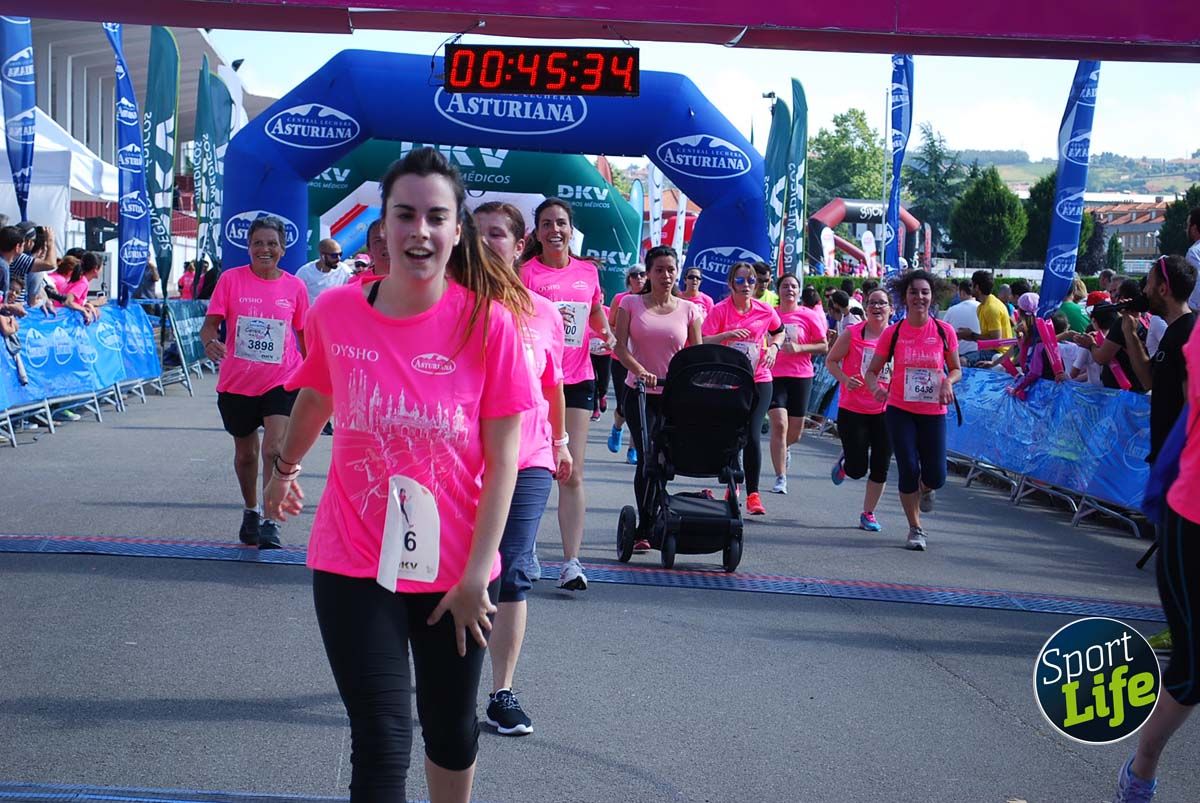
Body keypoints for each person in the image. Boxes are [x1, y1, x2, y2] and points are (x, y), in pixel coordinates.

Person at [263, 147, 537, 803]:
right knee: (382, 741)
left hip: (457, 571)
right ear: (381, 226)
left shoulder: (489, 325)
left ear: (455, 230)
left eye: (436, 216)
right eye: (405, 214)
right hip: (354, 561)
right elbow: (317, 396)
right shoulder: (336, 313)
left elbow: (505, 460)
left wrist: (478, 574)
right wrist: (284, 467)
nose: (420, 231)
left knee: (450, 730)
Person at [474, 200, 572, 737]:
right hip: (462, 459)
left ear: (519, 245)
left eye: (499, 234)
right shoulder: (447, 305)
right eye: (480, 233)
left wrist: (560, 442)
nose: (490, 242)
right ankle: (451, 671)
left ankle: (502, 692)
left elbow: (552, 385)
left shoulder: (545, 312)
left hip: (530, 455)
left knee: (513, 569)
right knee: (459, 566)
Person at [1109, 267, 1200, 803]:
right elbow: (1159, 387)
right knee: (1193, 671)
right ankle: (1142, 768)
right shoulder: (1192, 339)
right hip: (1191, 510)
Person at [520, 197, 616, 591]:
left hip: (576, 379)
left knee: (570, 470)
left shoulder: (587, 272)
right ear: (536, 232)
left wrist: (605, 332)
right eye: (546, 224)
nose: (554, 230)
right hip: (533, 381)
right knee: (527, 468)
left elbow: (595, 312)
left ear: (570, 228)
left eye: (560, 223)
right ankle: (524, 549)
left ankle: (572, 562)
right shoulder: (524, 273)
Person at [200, 216, 309, 549]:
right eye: (258, 243)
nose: (265, 249)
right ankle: (251, 510)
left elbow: (305, 335)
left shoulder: (295, 287)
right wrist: (209, 343)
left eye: (271, 243)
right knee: (245, 454)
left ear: (282, 249)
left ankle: (270, 520)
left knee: (274, 449)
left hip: (282, 379)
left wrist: (314, 374)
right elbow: (209, 326)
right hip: (237, 382)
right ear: (248, 247)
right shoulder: (231, 281)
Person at [863, 270, 962, 551]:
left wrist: (947, 382)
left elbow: (956, 369)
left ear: (932, 297)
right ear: (905, 297)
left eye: (924, 292)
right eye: (913, 292)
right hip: (899, 409)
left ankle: (927, 486)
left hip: (933, 412)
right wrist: (876, 388)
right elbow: (872, 372)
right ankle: (915, 528)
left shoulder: (944, 331)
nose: (919, 297)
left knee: (936, 476)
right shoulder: (893, 333)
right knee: (907, 468)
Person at [615, 245, 702, 545]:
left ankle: (660, 515)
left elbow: (696, 356)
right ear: (649, 273)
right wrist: (639, 370)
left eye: (671, 270)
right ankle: (645, 525)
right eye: (659, 270)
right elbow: (619, 348)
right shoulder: (630, 304)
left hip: (674, 396)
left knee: (666, 459)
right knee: (648, 456)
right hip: (638, 393)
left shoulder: (690, 309)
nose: (666, 275)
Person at [701, 261, 784, 515]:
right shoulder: (720, 310)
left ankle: (754, 495)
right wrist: (726, 336)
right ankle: (732, 482)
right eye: (740, 280)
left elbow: (778, 332)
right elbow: (704, 339)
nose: (746, 285)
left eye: (750, 281)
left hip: (759, 378)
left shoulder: (765, 310)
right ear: (731, 283)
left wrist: (773, 347)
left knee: (752, 433)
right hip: (729, 380)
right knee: (731, 432)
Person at [826, 287, 894, 531]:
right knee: (857, 469)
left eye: (882, 303)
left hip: (887, 409)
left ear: (891, 309)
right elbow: (830, 361)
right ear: (866, 308)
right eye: (872, 303)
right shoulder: (853, 333)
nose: (877, 307)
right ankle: (846, 465)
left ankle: (868, 513)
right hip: (853, 408)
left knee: (881, 464)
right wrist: (845, 379)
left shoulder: (898, 337)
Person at [1121, 255, 1197, 463]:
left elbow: (1192, 406)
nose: (1144, 291)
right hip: (1164, 455)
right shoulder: (1173, 332)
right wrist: (1130, 332)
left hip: (1177, 461)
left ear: (1163, 289)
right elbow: (1149, 380)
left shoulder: (1188, 334)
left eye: (1149, 284)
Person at [768, 273, 828, 494]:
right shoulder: (771, 314)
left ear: (799, 291)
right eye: (785, 286)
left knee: (795, 432)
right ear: (779, 290)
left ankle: (785, 449)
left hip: (801, 375)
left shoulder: (808, 315)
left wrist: (799, 349)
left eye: (793, 286)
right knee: (779, 425)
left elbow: (823, 346)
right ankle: (780, 477)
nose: (789, 290)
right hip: (773, 375)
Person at [1073, 281, 1148, 393]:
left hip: (1122, 393)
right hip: (1139, 388)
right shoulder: (1144, 319)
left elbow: (1102, 358)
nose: (1111, 297)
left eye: (1115, 294)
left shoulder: (1122, 323)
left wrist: (1091, 344)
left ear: (1123, 298)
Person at [605, 265, 647, 462]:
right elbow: (610, 324)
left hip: (644, 358)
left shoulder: (651, 300)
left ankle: (634, 448)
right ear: (628, 279)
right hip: (621, 358)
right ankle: (617, 427)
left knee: (640, 405)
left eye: (642, 274)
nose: (638, 278)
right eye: (634, 275)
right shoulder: (620, 298)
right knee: (624, 404)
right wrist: (620, 336)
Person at [958, 270, 1013, 361]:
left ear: (977, 287)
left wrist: (971, 335)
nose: (970, 288)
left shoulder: (991, 308)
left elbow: (995, 340)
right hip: (991, 351)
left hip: (999, 353)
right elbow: (987, 337)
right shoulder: (982, 306)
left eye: (972, 285)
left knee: (962, 361)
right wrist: (964, 336)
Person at [295, 238, 353, 304]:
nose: (338, 259)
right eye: (334, 255)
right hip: (312, 313)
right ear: (322, 256)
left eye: (340, 254)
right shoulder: (305, 272)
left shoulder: (344, 270)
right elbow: (294, 294)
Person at [941, 280, 981, 365]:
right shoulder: (982, 308)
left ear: (962, 292)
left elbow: (942, 332)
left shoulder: (952, 310)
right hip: (979, 356)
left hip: (958, 357)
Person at [1186, 208, 1200, 312]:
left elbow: (1197, 285)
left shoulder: (1194, 252)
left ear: (1194, 228)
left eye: (1188, 225)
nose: (1186, 229)